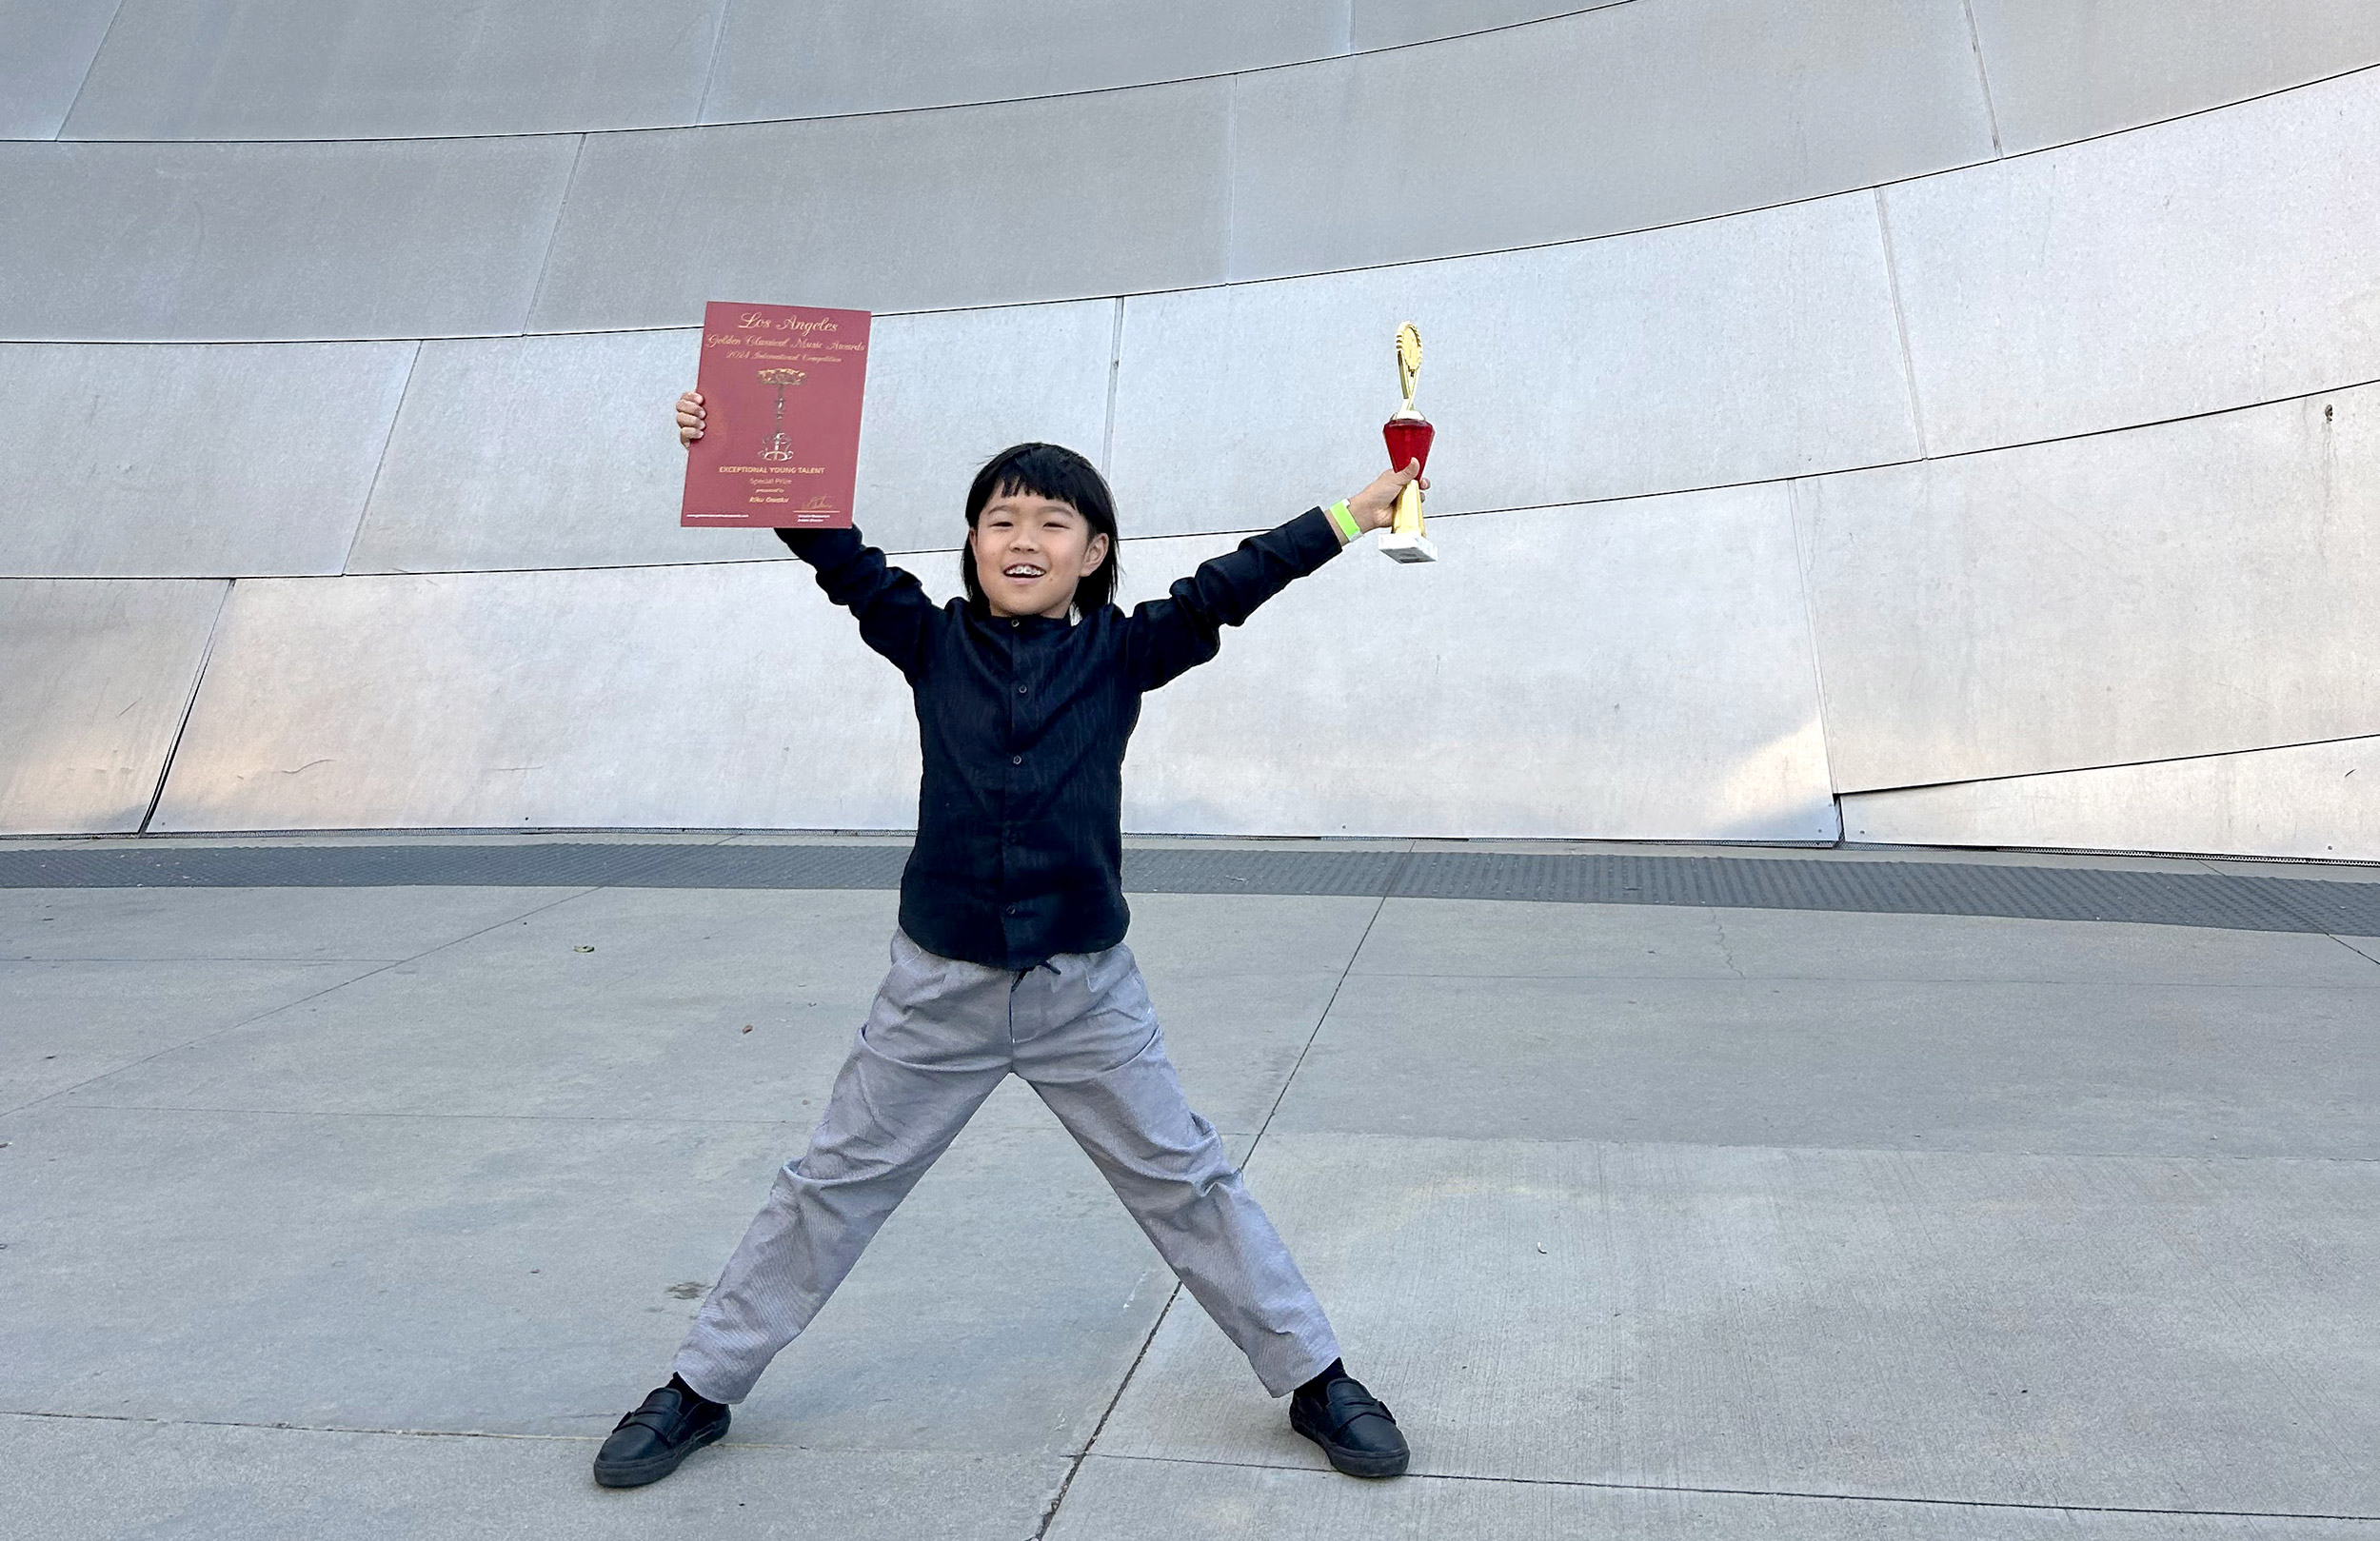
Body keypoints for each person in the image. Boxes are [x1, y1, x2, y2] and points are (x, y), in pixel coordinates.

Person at [594, 391, 1425, 1490]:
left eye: (1051, 522)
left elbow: (1235, 581)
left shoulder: (1128, 653)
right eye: (1000, 519)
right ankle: (698, 1388)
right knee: (830, 1184)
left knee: (1187, 1180)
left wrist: (1350, 514)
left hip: (1086, 992)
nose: (1023, 539)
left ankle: (1315, 1375)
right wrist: (740, 438)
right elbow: (836, 550)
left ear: (1094, 551)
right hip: (935, 991)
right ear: (972, 543)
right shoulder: (929, 640)